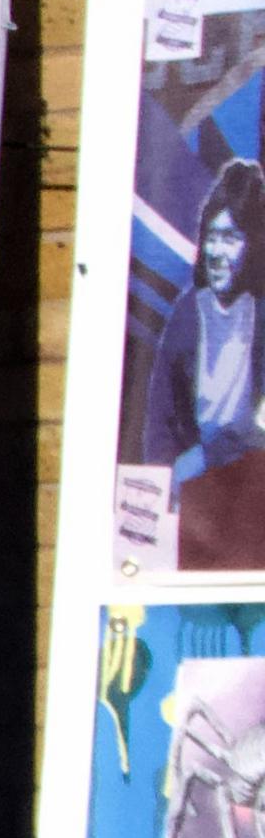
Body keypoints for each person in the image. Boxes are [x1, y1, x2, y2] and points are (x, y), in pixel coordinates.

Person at [140, 156, 265, 566]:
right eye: (211, 237)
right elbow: (159, 421)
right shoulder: (188, 314)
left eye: (230, 237)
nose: (216, 250)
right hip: (198, 504)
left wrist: (209, 456)